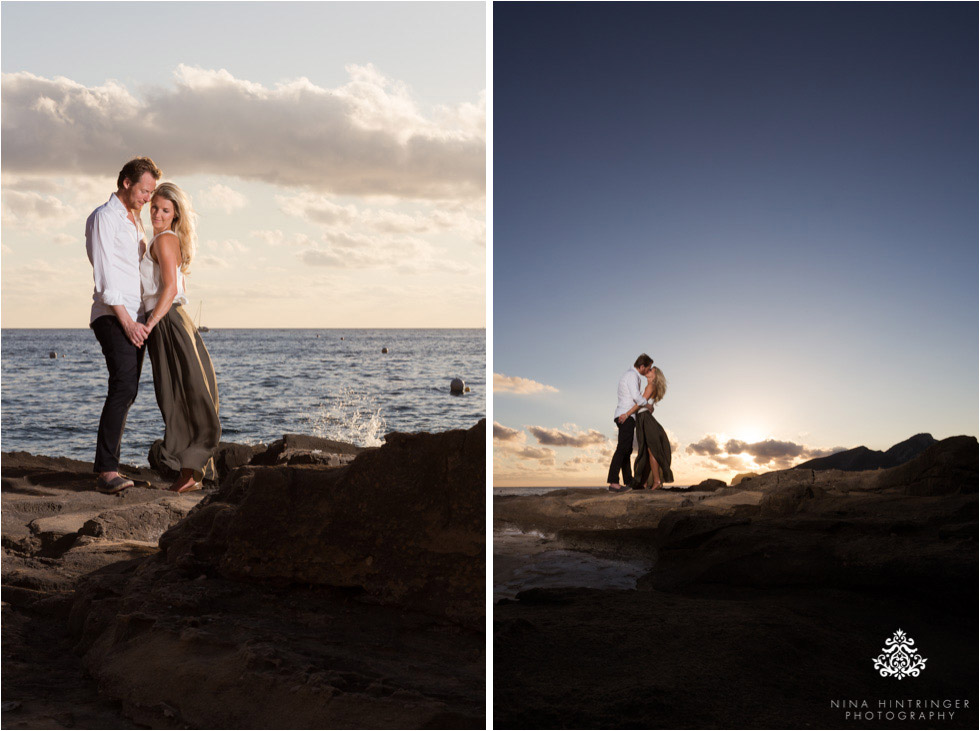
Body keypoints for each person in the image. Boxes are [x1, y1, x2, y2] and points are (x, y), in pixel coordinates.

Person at [86, 157, 162, 494]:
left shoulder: (136, 222)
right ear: (127, 183)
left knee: (127, 390)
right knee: (123, 386)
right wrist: (128, 321)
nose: (148, 198)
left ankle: (108, 465)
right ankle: (106, 472)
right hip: (113, 315)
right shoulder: (105, 218)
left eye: (152, 193)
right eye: (145, 190)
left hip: (136, 316)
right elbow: (104, 277)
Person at [141, 182, 221, 492]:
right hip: (176, 320)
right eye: (155, 208)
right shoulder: (167, 239)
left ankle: (189, 472)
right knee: (184, 391)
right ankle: (193, 469)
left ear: (175, 215)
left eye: (165, 210)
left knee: (177, 395)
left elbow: (170, 289)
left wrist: (150, 323)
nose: (157, 214)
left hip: (167, 319)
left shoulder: (163, 239)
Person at [607, 353, 654, 493]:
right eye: (648, 368)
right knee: (622, 449)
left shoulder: (631, 375)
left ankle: (628, 481)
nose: (648, 370)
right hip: (625, 416)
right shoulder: (632, 376)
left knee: (626, 449)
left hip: (626, 416)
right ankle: (613, 482)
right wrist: (648, 406)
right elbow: (636, 397)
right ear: (641, 366)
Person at [629, 366, 674, 489]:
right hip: (643, 418)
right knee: (646, 451)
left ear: (655, 375)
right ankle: (645, 481)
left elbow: (639, 403)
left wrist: (627, 414)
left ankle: (657, 481)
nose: (648, 371)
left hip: (645, 419)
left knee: (651, 450)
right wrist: (648, 406)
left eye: (651, 371)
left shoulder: (650, 386)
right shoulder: (649, 387)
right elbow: (645, 404)